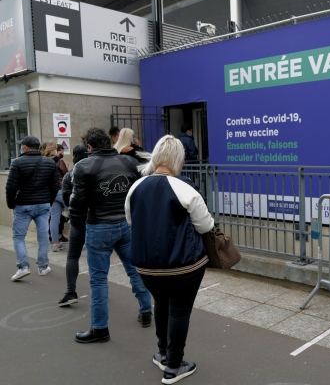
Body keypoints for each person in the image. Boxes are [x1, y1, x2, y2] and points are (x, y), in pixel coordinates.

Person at [125, 135, 214, 384]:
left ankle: (163, 353)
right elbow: (206, 226)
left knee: (161, 304)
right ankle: (174, 366)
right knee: (180, 312)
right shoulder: (184, 187)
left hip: (146, 265)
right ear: (178, 159)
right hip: (184, 264)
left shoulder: (136, 187)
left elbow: (132, 221)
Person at [70, 128, 152, 343]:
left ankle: (100, 329)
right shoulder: (128, 162)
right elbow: (139, 191)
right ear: (109, 142)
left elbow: (77, 201)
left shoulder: (84, 166)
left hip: (98, 227)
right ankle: (146, 311)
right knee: (134, 270)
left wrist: (77, 226)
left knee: (98, 279)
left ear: (89, 147)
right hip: (126, 224)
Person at [5, 136, 59, 281]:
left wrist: (11, 204)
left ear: (25, 148)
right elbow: (55, 186)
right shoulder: (50, 163)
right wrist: (49, 201)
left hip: (23, 205)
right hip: (43, 205)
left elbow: (11, 187)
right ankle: (43, 267)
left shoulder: (17, 163)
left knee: (18, 237)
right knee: (42, 237)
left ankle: (23, 267)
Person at [58, 144, 89, 306]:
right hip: (96, 220)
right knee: (98, 256)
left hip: (77, 220)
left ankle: (71, 292)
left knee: (72, 256)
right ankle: (100, 289)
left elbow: (66, 199)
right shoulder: (95, 171)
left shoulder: (69, 175)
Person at [48, 143, 69, 252]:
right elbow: (66, 174)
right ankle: (83, 241)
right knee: (76, 214)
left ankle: (56, 243)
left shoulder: (45, 161)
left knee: (54, 218)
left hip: (52, 193)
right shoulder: (59, 161)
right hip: (61, 191)